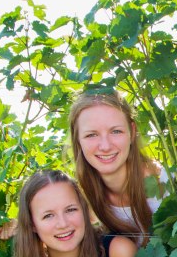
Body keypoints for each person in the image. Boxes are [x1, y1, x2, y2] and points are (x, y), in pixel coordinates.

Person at [69, 91, 167, 244]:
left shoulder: (169, 183)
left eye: (116, 131)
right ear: (78, 140)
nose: (105, 146)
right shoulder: (78, 202)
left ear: (132, 132)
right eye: (91, 135)